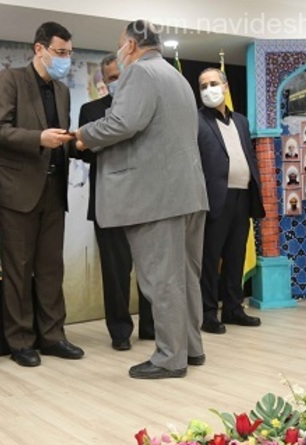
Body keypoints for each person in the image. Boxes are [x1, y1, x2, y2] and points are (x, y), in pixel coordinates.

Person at [76, 20, 208, 379]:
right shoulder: (177, 77)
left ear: (132, 46)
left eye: (121, 44)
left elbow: (123, 122)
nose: (120, 51)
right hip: (188, 193)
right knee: (185, 278)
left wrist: (84, 135)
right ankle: (191, 348)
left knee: (162, 280)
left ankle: (169, 358)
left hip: (156, 198)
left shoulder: (139, 73)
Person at [0, 22, 84, 367]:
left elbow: (58, 138)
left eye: (69, 53)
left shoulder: (62, 91)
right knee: (19, 268)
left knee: (50, 268)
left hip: (54, 189)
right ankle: (21, 340)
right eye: (60, 52)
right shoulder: (11, 79)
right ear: (39, 49)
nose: (65, 59)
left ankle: (53, 336)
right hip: (16, 190)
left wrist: (77, 143)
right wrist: (38, 138)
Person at [77, 53, 154, 351]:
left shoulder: (146, 107)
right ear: (103, 82)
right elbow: (84, 151)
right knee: (115, 271)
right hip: (108, 202)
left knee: (149, 268)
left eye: (122, 77)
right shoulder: (90, 110)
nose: (117, 82)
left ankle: (151, 327)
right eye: (111, 78)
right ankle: (120, 332)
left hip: (145, 200)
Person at [196, 68, 265, 335]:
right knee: (210, 259)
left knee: (236, 257)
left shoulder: (241, 121)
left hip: (242, 196)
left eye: (213, 83)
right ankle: (208, 313)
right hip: (214, 199)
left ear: (225, 87)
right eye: (203, 86)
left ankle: (233, 308)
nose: (208, 89)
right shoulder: (196, 120)